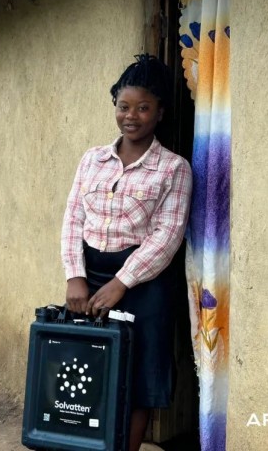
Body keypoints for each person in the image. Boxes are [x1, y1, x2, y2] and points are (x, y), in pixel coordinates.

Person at [60, 54, 192, 451]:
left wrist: (122, 283)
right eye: (124, 106)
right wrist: (75, 276)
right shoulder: (92, 159)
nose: (131, 116)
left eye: (143, 108)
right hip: (90, 275)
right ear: (115, 105)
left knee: (138, 378)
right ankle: (84, 442)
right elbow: (72, 219)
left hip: (144, 282)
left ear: (160, 112)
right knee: (86, 367)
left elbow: (167, 236)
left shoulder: (173, 169)